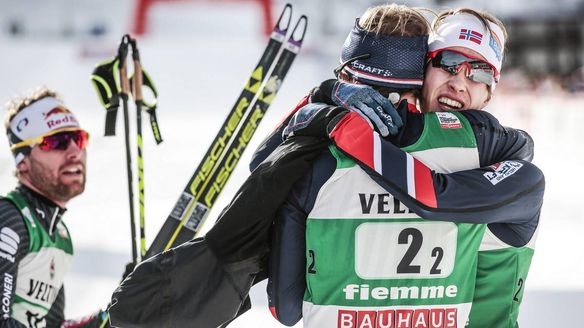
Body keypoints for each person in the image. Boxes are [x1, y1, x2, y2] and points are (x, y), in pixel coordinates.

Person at [262, 5, 541, 328]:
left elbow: (432, 196)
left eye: (479, 73)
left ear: (491, 91)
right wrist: (327, 101)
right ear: (422, 72)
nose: (459, 83)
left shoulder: (499, 159)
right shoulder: (493, 151)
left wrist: (331, 114)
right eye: (448, 64)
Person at [0, 88, 108, 328]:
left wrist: (109, 316)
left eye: (78, 139)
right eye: (56, 142)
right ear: (23, 162)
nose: (73, 152)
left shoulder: (60, 237)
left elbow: (54, 326)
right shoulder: (9, 219)